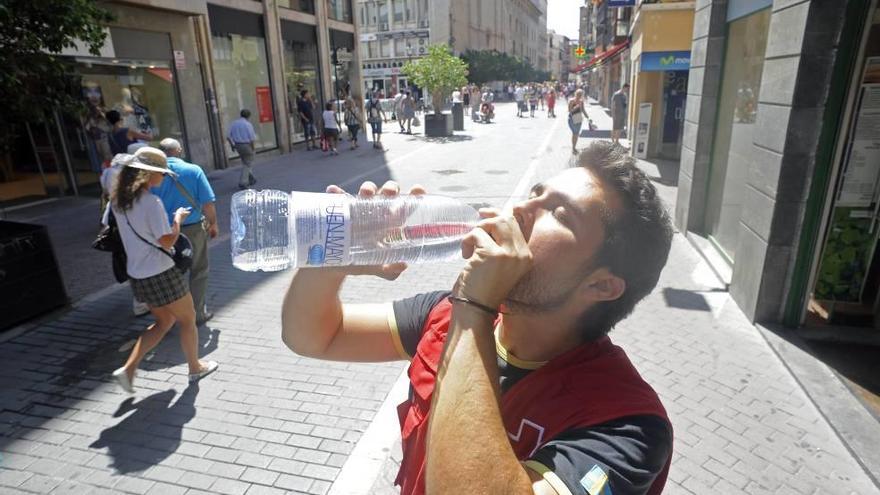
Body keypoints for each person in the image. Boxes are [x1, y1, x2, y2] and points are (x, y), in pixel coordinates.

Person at [281, 140, 674, 495]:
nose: (519, 209)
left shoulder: (626, 425)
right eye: (535, 193)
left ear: (602, 286)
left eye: (558, 213)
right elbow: (315, 336)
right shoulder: (444, 315)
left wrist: (474, 306)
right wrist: (332, 263)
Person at [105, 147, 218, 393]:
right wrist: (176, 218)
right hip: (161, 272)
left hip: (137, 274)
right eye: (161, 173)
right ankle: (195, 367)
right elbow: (166, 241)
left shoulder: (117, 201)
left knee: (163, 321)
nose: (164, 177)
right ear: (146, 174)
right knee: (188, 320)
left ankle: (128, 369)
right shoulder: (151, 203)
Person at [155, 138, 218, 326]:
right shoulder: (193, 170)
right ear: (179, 151)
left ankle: (171, 315)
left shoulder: (154, 175)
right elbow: (207, 203)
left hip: (163, 232)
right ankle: (197, 313)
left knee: (169, 273)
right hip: (192, 229)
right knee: (198, 269)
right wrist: (213, 224)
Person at [101, 142, 151, 317]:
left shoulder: (111, 169)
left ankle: (141, 299)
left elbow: (105, 190)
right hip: (129, 218)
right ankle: (141, 301)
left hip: (116, 217)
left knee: (130, 258)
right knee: (139, 258)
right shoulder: (133, 172)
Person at [228, 109, 257, 189]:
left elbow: (228, 136)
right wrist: (253, 148)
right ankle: (243, 182)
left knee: (245, 162)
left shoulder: (234, 123)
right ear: (248, 116)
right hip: (246, 145)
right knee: (247, 164)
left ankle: (251, 178)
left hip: (238, 145)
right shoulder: (248, 124)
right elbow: (251, 138)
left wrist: (232, 146)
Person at [568, 89, 588, 154]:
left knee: (576, 134)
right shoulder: (571, 101)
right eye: (578, 94)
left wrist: (588, 117)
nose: (579, 96)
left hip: (579, 119)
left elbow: (583, 110)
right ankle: (573, 147)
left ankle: (574, 147)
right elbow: (569, 111)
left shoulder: (581, 101)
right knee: (575, 133)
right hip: (572, 119)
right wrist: (576, 107)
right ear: (575, 94)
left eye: (581, 95)